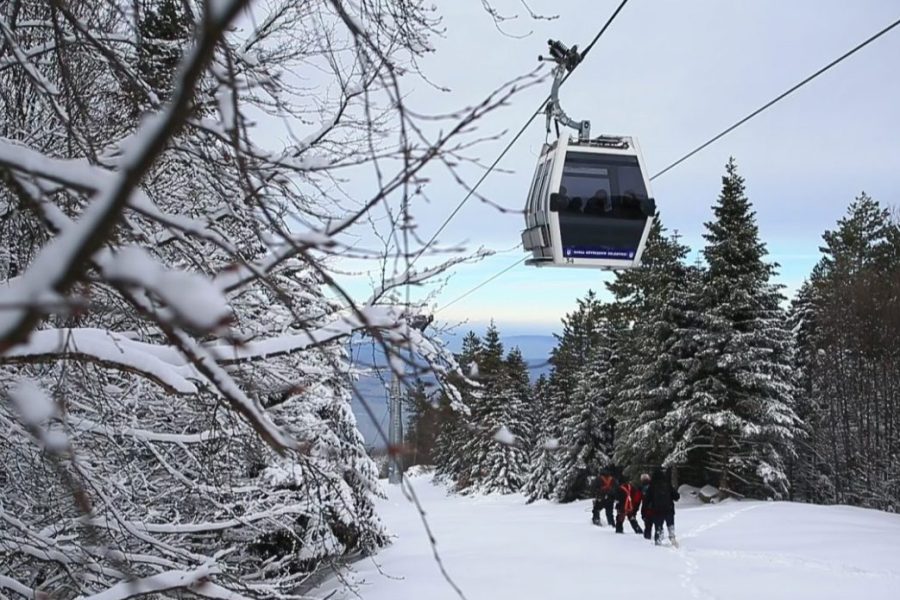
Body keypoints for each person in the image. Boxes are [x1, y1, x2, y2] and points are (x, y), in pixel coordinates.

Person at [647, 467, 680, 546]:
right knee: (670, 524)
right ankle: (672, 537)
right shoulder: (667, 484)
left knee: (658, 526)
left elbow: (647, 499)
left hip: (657, 510)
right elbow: (676, 497)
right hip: (669, 509)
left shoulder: (652, 485)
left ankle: (658, 540)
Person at [639, 473, 653, 540]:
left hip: (646, 507)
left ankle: (647, 536)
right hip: (655, 507)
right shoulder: (653, 486)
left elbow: (637, 498)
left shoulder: (641, 488)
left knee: (648, 523)